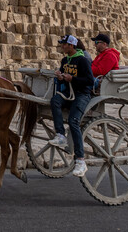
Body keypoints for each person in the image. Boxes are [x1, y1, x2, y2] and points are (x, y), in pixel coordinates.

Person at [49, 34, 94, 178]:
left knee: (74, 121)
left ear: (72, 45)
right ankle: (60, 134)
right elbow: (63, 81)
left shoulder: (82, 60)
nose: (62, 46)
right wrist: (61, 77)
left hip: (82, 94)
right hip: (68, 93)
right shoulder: (65, 60)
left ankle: (80, 160)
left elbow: (89, 81)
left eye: (64, 44)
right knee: (55, 101)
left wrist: (72, 78)